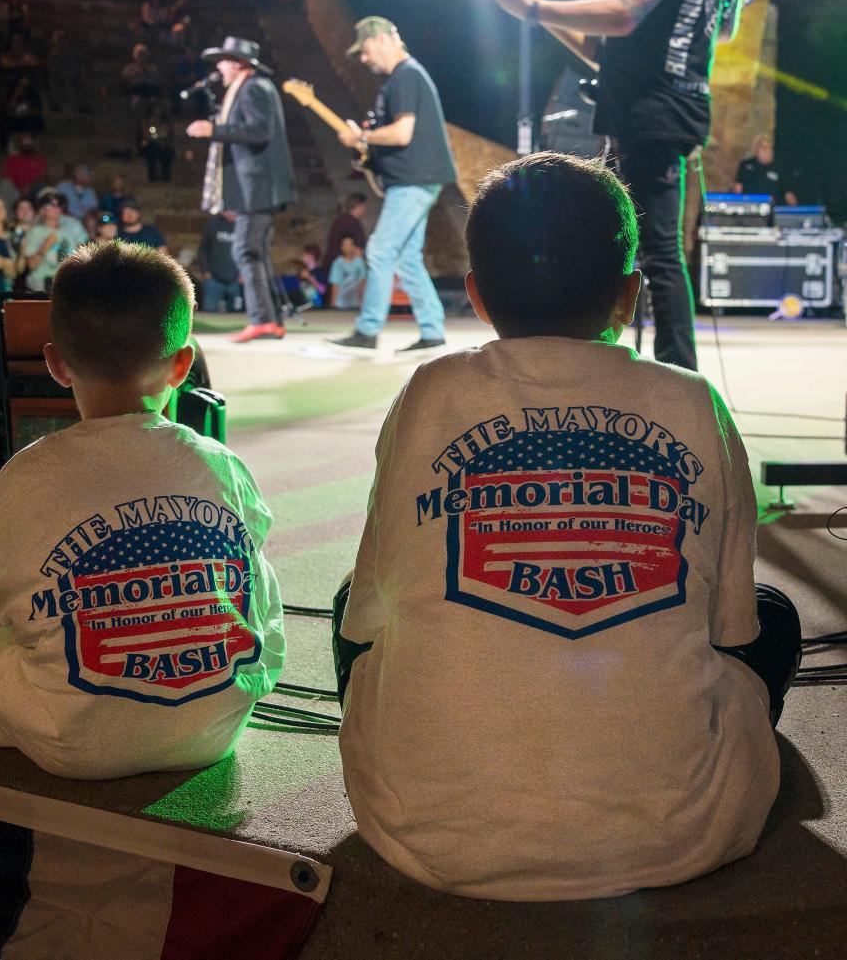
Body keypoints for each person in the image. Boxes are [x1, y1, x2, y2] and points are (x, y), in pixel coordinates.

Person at [335, 151, 802, 900]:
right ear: (628, 293)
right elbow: (732, 632)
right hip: (688, 827)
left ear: (477, 295)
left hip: (418, 826)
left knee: (350, 601)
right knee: (774, 619)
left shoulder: (428, 392)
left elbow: (369, 613)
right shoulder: (694, 402)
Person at [0, 241, 285, 780]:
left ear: (56, 365)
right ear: (183, 365)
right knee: (257, 569)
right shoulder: (220, 464)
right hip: (214, 733)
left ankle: (16, 715)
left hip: (74, 749)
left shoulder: (24, 475)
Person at [486, 0, 743, 372]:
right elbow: (704, 32)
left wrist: (532, 7)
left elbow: (624, 15)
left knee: (649, 251)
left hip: (649, 109)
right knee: (646, 247)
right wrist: (540, 12)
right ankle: (653, 371)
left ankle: (676, 380)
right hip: (669, 104)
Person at [332, 17, 457, 353]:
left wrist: (362, 136)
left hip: (414, 180)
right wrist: (367, 145)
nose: (363, 58)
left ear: (385, 39)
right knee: (406, 258)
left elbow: (403, 133)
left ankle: (368, 331)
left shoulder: (406, 76)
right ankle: (432, 330)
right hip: (418, 179)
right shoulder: (401, 79)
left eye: (366, 49)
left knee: (380, 250)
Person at [186, 37, 297, 343]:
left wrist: (215, 130)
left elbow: (260, 131)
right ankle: (269, 321)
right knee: (254, 251)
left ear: (238, 63)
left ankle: (261, 319)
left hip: (259, 187)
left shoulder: (254, 88)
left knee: (245, 249)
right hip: (256, 187)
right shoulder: (250, 89)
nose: (219, 67)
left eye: (223, 61)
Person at [19, 188, 86, 294]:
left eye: (58, 205)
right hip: (40, 287)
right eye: (50, 205)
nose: (56, 208)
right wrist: (45, 246)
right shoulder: (35, 232)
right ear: (42, 210)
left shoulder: (68, 232)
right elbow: (31, 265)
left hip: (64, 287)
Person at [195, 209, 241, 312]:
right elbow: (203, 250)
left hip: (235, 280)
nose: (232, 213)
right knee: (210, 312)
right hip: (214, 279)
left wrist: (243, 274)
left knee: (238, 314)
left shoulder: (242, 226)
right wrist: (205, 272)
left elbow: (247, 251)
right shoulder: (213, 225)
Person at [323, 191, 368, 276]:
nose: (364, 210)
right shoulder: (351, 223)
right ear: (359, 206)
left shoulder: (341, 220)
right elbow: (357, 249)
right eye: (364, 207)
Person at [138, 100, 175, 182]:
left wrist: (162, 141)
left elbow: (168, 135)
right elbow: (146, 135)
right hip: (150, 145)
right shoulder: (146, 122)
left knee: (168, 152)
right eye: (155, 109)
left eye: (159, 109)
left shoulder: (166, 123)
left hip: (163, 146)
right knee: (152, 150)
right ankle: (152, 175)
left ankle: (166, 176)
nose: (157, 111)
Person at [328, 235, 367, 309]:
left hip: (356, 303)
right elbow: (335, 285)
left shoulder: (359, 262)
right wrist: (333, 303)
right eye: (345, 244)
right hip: (340, 303)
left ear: (354, 246)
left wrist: (362, 301)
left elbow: (363, 282)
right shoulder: (337, 263)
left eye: (350, 244)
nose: (347, 246)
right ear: (341, 247)